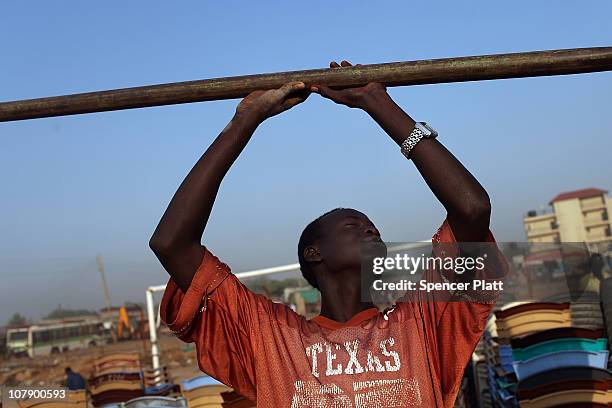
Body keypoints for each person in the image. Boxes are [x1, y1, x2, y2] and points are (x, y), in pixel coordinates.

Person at [150, 61, 506, 407]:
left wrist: (377, 103)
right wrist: (245, 121)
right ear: (313, 253)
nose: (371, 230)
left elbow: (471, 209)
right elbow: (171, 244)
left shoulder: (423, 322)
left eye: (373, 228)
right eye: (353, 225)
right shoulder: (271, 339)